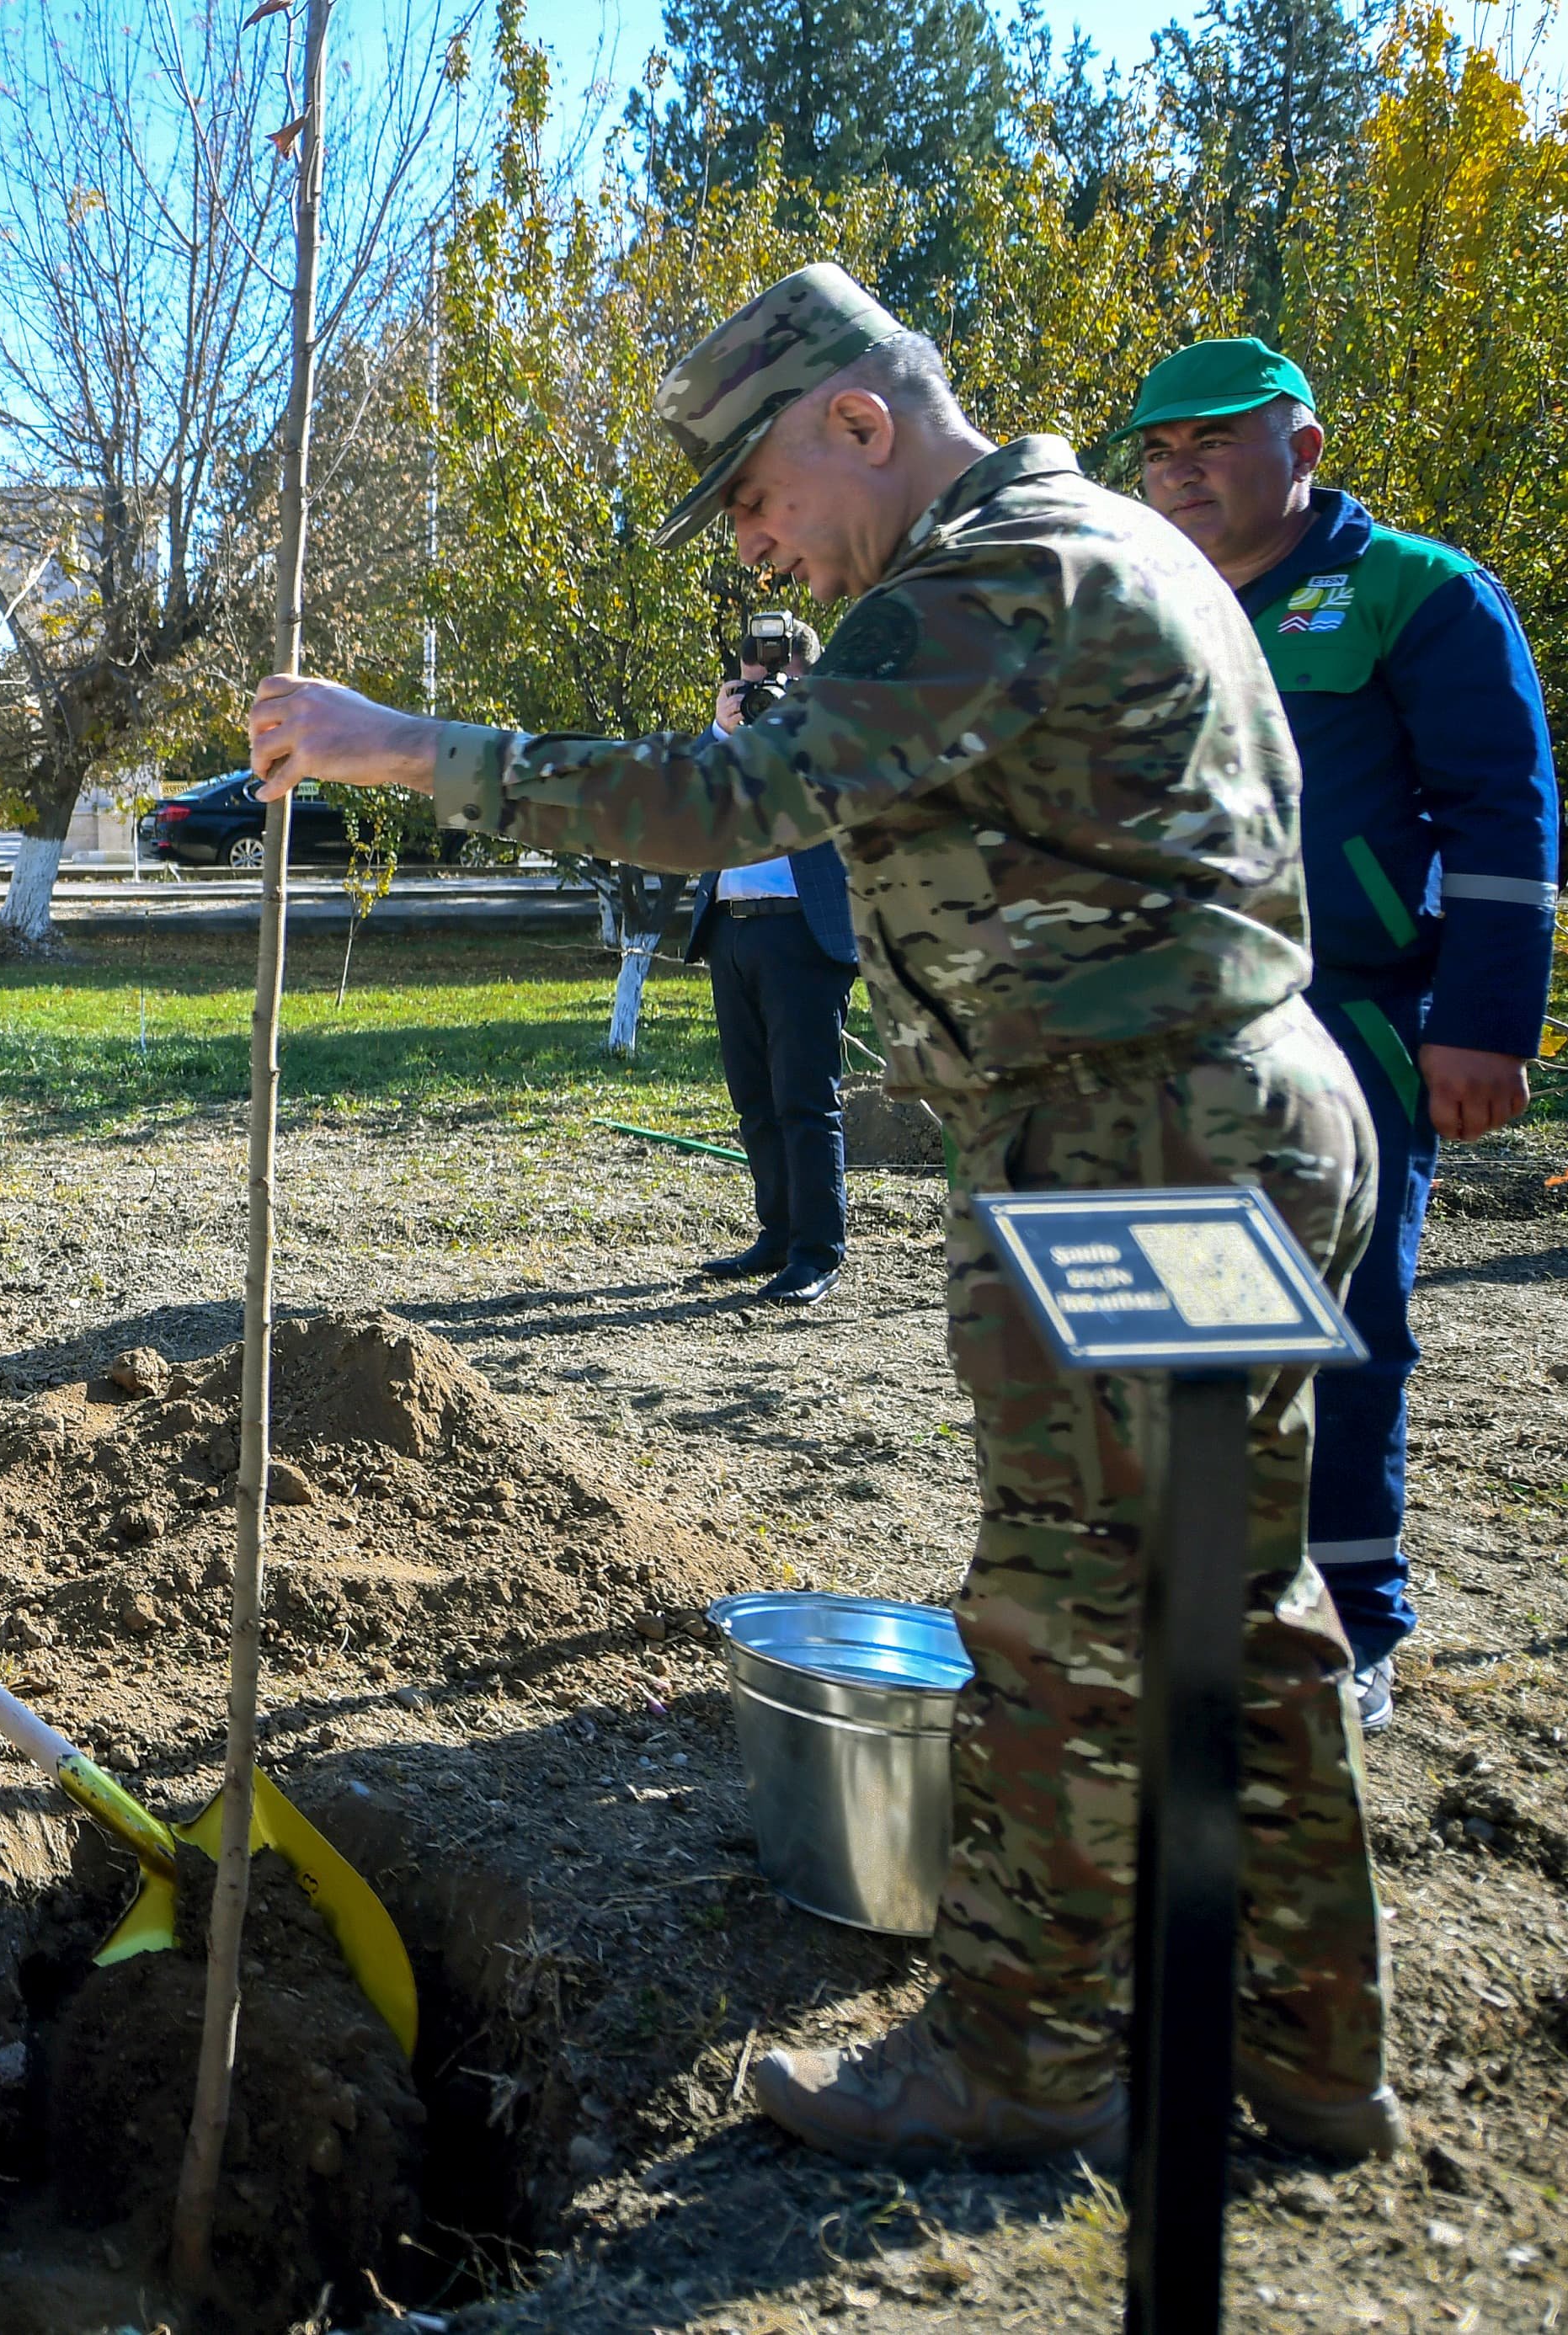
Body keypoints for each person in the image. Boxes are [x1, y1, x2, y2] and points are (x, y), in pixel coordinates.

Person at [245, 263, 1397, 2168]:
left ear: (856, 419)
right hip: (1214, 1115)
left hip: (1132, 1141)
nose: (758, 551)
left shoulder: (999, 573)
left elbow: (737, 794)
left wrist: (411, 747)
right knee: (1229, 1606)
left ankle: (1020, 2059)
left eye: (758, 501)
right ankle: (1306, 2043)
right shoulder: (1077, 548)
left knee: (1062, 1607)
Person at [1127, 338, 1560, 1730]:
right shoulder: (1148, 604)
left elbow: (1503, 817)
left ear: (1303, 447)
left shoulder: (1415, 593)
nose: (1180, 472)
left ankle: (1354, 1620)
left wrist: (1488, 1025)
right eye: (1156, 450)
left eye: (1214, 442)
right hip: (1178, 1027)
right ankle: (1201, 1588)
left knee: (1345, 1321)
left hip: (1360, 1020)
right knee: (1185, 1310)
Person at [680, 613, 857, 1307]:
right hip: (731, 928)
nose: (763, 694)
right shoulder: (730, 737)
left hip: (803, 935)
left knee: (805, 1100)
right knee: (754, 1098)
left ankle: (818, 1252)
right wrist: (724, 729)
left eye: (778, 682)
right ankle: (777, 1236)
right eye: (752, 682)